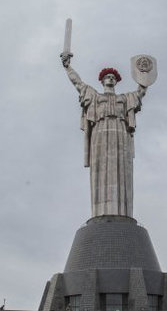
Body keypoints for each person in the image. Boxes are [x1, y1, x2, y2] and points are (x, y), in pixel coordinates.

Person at [61, 52, 147, 217]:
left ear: (116, 81)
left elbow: (140, 92)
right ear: (102, 80)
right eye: (107, 77)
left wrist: (144, 77)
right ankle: (100, 214)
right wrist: (68, 67)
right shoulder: (94, 96)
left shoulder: (125, 98)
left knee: (122, 171)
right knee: (100, 170)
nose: (110, 79)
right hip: (99, 134)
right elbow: (78, 83)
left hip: (120, 134)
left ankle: (122, 213)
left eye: (113, 77)